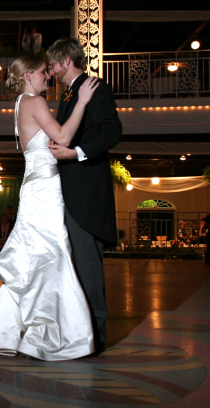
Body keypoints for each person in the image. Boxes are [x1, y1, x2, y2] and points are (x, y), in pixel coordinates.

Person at [0, 53, 99, 360]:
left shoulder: (20, 103)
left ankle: (18, 331)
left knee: (37, 258)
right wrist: (82, 100)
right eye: (44, 72)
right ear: (29, 75)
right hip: (44, 188)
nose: (49, 76)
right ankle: (53, 337)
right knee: (53, 254)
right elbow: (63, 135)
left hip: (34, 185)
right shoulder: (35, 103)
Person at [46, 38, 122, 355]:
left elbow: (112, 130)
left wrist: (75, 152)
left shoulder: (93, 87)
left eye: (52, 64)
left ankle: (96, 335)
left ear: (66, 60)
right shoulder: (69, 93)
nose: (49, 71)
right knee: (75, 264)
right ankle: (81, 330)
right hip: (71, 190)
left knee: (87, 264)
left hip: (86, 194)